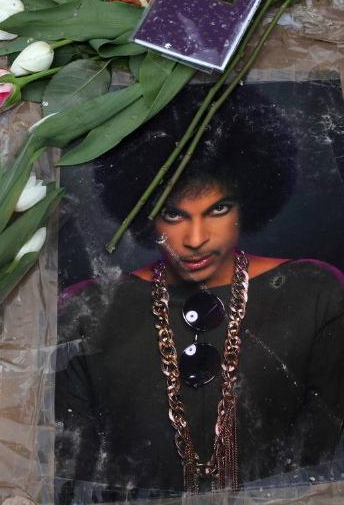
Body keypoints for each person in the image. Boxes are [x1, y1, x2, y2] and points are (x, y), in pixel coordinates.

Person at [55, 93, 344, 502]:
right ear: (145, 214)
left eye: (218, 209)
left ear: (247, 204)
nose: (195, 239)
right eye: (174, 215)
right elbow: (69, 471)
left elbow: (327, 452)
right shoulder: (87, 311)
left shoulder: (315, 292)